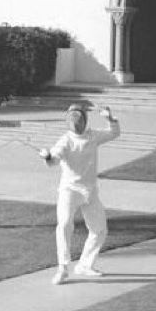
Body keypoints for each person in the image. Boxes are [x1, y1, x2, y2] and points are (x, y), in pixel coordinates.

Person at [39, 103, 120, 285]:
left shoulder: (93, 136)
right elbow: (55, 159)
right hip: (69, 190)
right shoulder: (65, 140)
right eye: (73, 117)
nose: (76, 121)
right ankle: (62, 268)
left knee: (99, 229)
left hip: (90, 191)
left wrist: (110, 119)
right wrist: (47, 157)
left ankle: (84, 265)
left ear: (84, 119)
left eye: (79, 117)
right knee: (65, 224)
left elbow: (114, 133)